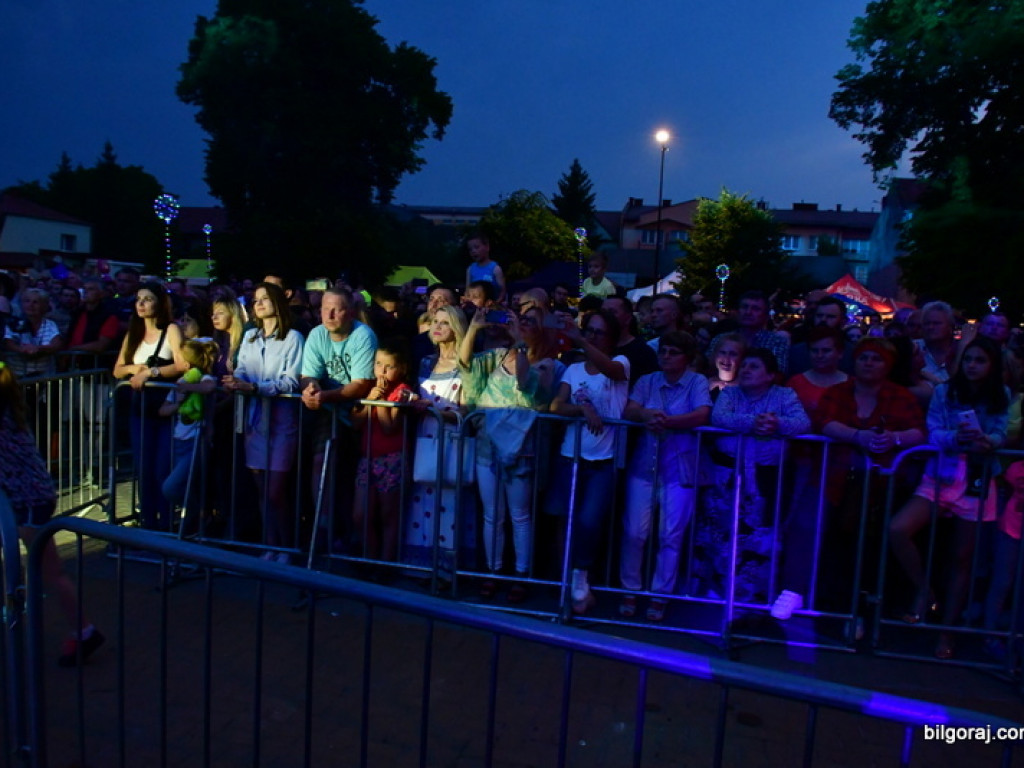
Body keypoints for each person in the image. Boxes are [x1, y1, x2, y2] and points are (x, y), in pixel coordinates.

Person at [888, 337, 1010, 659]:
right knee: (898, 529)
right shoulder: (944, 391)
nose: (972, 365)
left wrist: (990, 441)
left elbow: (1002, 431)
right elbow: (933, 431)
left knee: (961, 561)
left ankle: (947, 632)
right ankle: (925, 588)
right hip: (942, 473)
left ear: (992, 365)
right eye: (968, 359)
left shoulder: (1002, 395)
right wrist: (958, 438)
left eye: (980, 360)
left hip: (977, 479)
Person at [0, 362, 104, 666]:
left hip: (29, 500)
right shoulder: (10, 412)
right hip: (26, 498)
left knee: (51, 571)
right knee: (38, 569)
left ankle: (84, 630)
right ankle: (18, 608)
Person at [817, 338, 926, 621]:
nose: (868, 363)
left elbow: (919, 431)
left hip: (888, 485)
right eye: (863, 357)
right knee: (841, 545)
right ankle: (842, 610)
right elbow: (824, 421)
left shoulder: (901, 395)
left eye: (875, 359)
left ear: (888, 364)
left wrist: (895, 439)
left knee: (878, 548)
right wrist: (857, 436)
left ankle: (880, 609)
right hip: (840, 483)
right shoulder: (838, 392)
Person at [461, 304, 563, 603]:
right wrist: (474, 329)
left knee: (519, 516)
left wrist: (518, 343)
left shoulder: (547, 364)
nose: (523, 324)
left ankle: (521, 575)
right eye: (522, 320)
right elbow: (465, 363)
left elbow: (526, 385)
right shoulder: (495, 356)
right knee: (492, 515)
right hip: (486, 447)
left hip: (521, 452)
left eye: (531, 321)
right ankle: (493, 571)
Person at [704, 349, 811, 603]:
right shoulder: (730, 393)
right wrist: (755, 422)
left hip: (767, 477)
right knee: (723, 532)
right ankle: (719, 590)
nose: (745, 370)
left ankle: (753, 597)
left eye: (754, 367)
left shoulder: (784, 395)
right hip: (727, 477)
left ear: (770, 375)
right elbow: (720, 417)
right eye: (745, 366)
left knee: (761, 534)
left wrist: (777, 424)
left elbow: (803, 423)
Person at [619, 331, 712, 621]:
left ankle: (660, 594)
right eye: (664, 351)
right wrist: (648, 415)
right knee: (634, 532)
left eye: (673, 352)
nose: (666, 356)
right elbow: (629, 409)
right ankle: (630, 589)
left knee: (670, 534)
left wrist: (670, 422)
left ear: (687, 357)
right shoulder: (648, 381)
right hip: (644, 466)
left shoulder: (697, 382)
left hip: (680, 468)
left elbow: (702, 414)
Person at [547, 309, 630, 615]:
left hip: (603, 460)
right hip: (571, 455)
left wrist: (580, 339)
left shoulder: (621, 363)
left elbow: (612, 370)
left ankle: (581, 577)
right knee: (563, 520)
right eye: (589, 331)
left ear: (611, 338)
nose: (592, 336)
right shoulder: (573, 370)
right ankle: (564, 583)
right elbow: (557, 405)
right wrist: (582, 409)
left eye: (598, 333)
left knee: (589, 522)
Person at [222, 282, 304, 561]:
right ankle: (270, 544)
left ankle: (287, 546)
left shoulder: (292, 338)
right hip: (254, 420)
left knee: (277, 491)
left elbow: (291, 381)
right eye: (255, 299)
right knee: (261, 490)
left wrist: (256, 388)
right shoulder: (251, 337)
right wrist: (236, 381)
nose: (258, 304)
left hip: (281, 421)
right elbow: (243, 368)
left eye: (265, 299)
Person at [300, 287, 376, 551]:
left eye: (337, 309)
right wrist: (310, 388)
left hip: (359, 413)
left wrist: (324, 395)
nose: (329, 314)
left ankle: (354, 536)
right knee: (320, 462)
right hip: (329, 409)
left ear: (351, 312)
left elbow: (362, 384)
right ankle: (322, 524)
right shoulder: (316, 334)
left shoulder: (363, 335)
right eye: (325, 308)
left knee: (353, 476)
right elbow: (308, 373)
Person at [405, 305, 476, 576]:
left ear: (456, 328)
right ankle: (422, 566)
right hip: (425, 437)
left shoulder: (466, 363)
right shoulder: (425, 361)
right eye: (435, 321)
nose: (437, 326)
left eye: (444, 322)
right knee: (423, 497)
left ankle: (448, 568)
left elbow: (467, 409)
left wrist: (437, 411)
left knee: (450, 501)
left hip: (451, 439)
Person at [112, 282, 187, 531]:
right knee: (143, 469)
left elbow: (182, 364)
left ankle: (165, 524)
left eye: (148, 298)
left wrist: (152, 372)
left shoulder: (171, 330)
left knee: (161, 469)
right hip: (139, 410)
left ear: (159, 302)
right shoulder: (133, 334)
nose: (141, 304)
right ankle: (147, 524)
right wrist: (137, 370)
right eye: (138, 299)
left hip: (164, 409)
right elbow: (118, 369)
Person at [351, 342, 414, 565]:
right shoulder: (370, 388)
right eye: (378, 364)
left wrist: (382, 402)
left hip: (392, 459)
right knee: (361, 515)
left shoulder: (403, 391)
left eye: (389, 366)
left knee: (388, 515)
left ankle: (386, 563)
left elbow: (389, 427)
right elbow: (356, 423)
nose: (382, 371)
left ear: (401, 368)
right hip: (367, 457)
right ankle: (370, 558)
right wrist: (369, 401)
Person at [159, 338, 219, 531]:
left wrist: (189, 388)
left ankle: (199, 512)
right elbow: (163, 410)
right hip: (179, 440)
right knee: (187, 486)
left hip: (197, 440)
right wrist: (179, 402)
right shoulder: (179, 383)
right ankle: (195, 522)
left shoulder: (203, 377)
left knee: (171, 486)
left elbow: (209, 387)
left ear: (186, 363)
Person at [4, 288, 63, 378]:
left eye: (36, 302)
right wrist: (24, 350)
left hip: (42, 377)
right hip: (16, 375)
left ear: (44, 306)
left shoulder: (50, 324)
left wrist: (37, 348)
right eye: (27, 301)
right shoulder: (13, 323)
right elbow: (8, 343)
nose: (30, 305)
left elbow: (56, 344)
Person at [602, 296, 659, 386]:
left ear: (628, 318)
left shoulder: (642, 353)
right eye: (602, 312)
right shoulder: (596, 346)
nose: (605, 317)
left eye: (612, 312)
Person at [464, 233, 506, 304]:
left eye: (476, 247)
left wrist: (495, 304)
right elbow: (467, 290)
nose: (473, 251)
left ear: (487, 247)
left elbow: (502, 292)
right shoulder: (470, 269)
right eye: (470, 249)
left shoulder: (495, 269)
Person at [707, 332, 746, 401]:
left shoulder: (748, 388)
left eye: (733, 354)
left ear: (742, 358)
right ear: (715, 355)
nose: (726, 359)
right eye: (722, 352)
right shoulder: (702, 384)